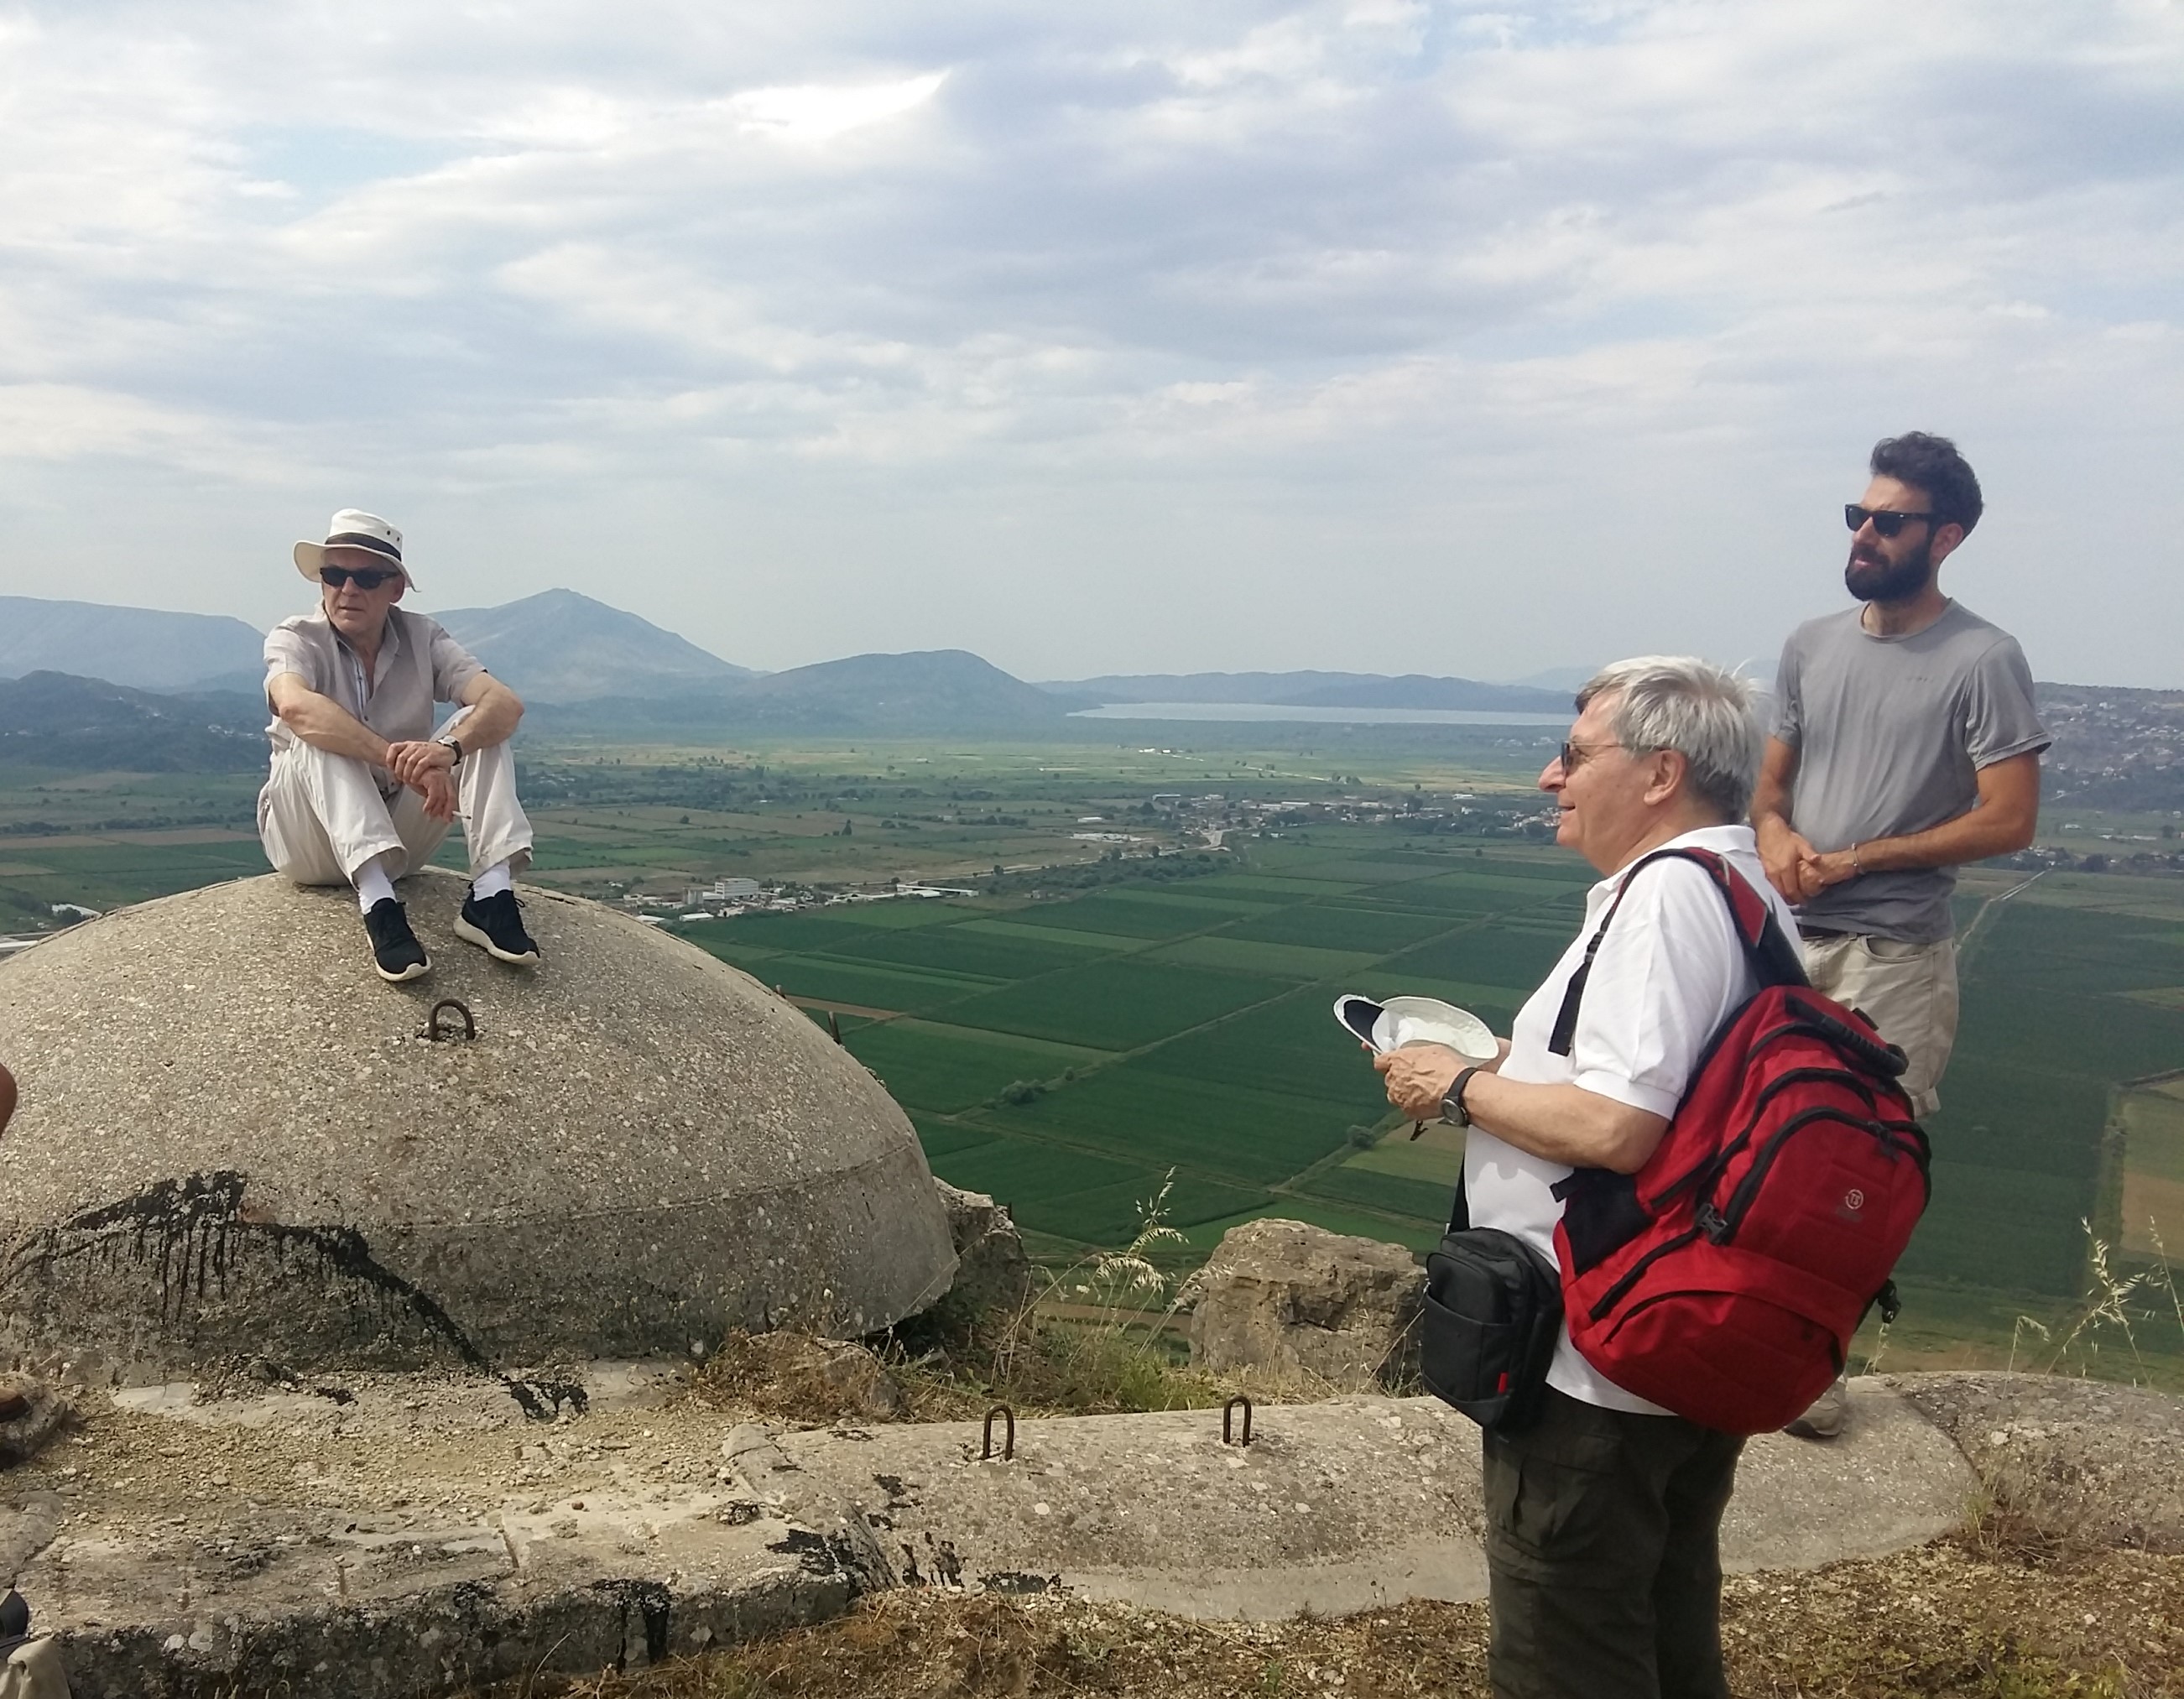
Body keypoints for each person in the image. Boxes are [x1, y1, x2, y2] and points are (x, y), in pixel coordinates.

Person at [1377, 656, 1795, 1699]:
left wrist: (1461, 1084)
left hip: (1596, 1352)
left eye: (1571, 756)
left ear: (1659, 773)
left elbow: (1617, 1125)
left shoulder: (1662, 903)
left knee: (1563, 1639)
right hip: (1684, 1328)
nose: (1545, 779)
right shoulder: (1741, 891)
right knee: (1658, 1612)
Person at [1751, 432, 2047, 1437]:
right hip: (1786, 938)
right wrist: (1780, 837)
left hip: (1891, 956)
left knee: (1850, 1165)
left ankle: (1811, 1366)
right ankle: (1730, 1338)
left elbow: (2007, 818)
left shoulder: (1981, 658)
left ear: (1945, 536)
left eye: (1888, 520)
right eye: (1857, 516)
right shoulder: (1809, 643)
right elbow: (1768, 793)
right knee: (1743, 1133)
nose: (1864, 533)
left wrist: (1857, 859)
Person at [260, 510, 540, 982]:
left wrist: (447, 750)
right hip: (306, 837)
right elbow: (293, 707)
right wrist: (400, 758)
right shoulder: (296, 638)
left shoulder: (422, 636)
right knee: (318, 729)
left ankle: (491, 896)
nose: (348, 589)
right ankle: (379, 907)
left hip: (397, 836)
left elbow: (504, 705)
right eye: (335, 574)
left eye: (367, 577)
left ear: (395, 589)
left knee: (480, 724)